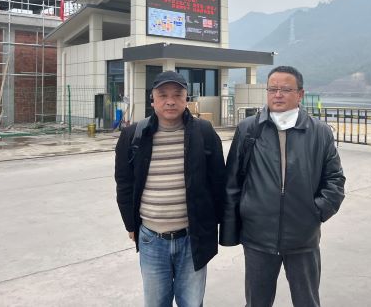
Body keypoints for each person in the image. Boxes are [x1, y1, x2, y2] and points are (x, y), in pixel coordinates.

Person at [220, 65, 346, 307]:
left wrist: (316, 212)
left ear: (300, 94)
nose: (277, 95)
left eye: (285, 89)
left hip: (303, 236)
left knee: (307, 301)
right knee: (257, 302)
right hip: (258, 236)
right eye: (272, 89)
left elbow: (335, 179)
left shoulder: (319, 132)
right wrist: (234, 225)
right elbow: (233, 181)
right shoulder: (249, 128)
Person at [115, 71, 225, 307]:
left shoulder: (204, 132)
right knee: (156, 302)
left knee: (192, 302)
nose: (170, 101)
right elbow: (124, 183)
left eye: (177, 95)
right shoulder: (132, 135)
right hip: (151, 239)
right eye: (163, 95)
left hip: (192, 238)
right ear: (152, 100)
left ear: (187, 99)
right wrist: (130, 224)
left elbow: (218, 182)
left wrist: (213, 224)